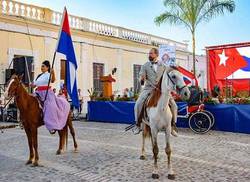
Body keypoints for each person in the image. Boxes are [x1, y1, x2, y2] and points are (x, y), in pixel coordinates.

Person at [133, 48, 178, 136]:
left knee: (174, 105)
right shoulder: (145, 65)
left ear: (156, 55)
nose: (149, 55)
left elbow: (169, 76)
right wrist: (141, 79)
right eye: (149, 53)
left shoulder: (163, 65)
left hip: (162, 90)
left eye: (151, 53)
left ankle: (172, 126)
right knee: (138, 104)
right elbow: (140, 77)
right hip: (149, 89)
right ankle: (138, 125)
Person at [31, 60, 70, 134]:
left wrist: (53, 72)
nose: (42, 68)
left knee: (50, 106)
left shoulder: (49, 74)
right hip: (38, 92)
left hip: (47, 93)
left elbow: (53, 80)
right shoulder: (39, 76)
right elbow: (34, 85)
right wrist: (32, 85)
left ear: (47, 67)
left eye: (43, 66)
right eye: (41, 66)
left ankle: (52, 125)